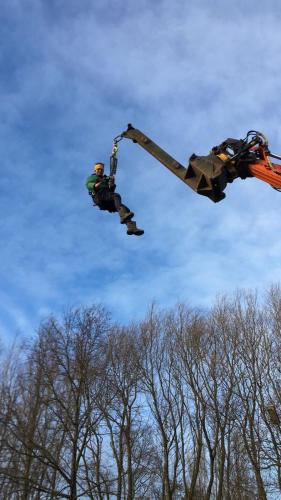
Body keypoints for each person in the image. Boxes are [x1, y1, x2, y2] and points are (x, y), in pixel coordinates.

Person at [86, 162, 144, 236]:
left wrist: (112, 182)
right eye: (98, 169)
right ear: (95, 170)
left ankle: (131, 228)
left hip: (106, 199)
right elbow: (89, 185)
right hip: (99, 196)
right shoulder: (93, 177)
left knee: (126, 209)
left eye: (101, 169)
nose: (100, 171)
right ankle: (123, 216)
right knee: (116, 196)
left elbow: (111, 191)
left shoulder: (105, 178)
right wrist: (100, 182)